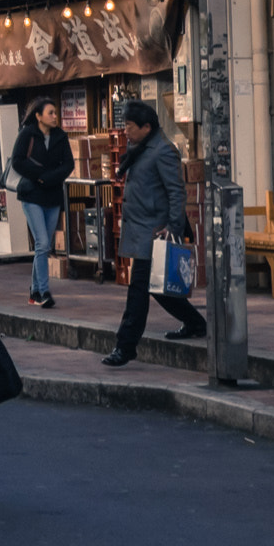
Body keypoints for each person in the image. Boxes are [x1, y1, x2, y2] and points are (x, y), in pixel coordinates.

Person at [103, 101, 206, 366]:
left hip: (154, 231)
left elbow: (176, 191)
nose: (126, 131)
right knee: (158, 288)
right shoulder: (138, 148)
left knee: (139, 287)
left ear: (146, 127)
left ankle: (125, 346)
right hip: (139, 228)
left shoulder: (162, 151)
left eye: (130, 127)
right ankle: (196, 323)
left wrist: (172, 226)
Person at [10, 96, 74, 309]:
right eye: (50, 113)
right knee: (42, 243)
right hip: (32, 195)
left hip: (53, 195)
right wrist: (39, 176)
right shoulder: (27, 134)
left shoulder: (60, 136)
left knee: (44, 247)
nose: (55, 117)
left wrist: (51, 177)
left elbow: (69, 164)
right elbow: (17, 161)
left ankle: (35, 291)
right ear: (38, 116)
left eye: (55, 113)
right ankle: (44, 292)